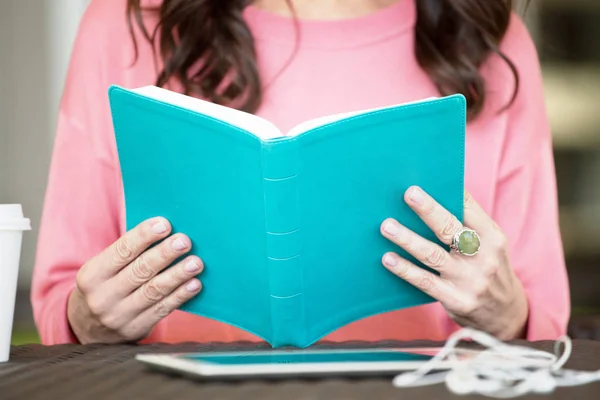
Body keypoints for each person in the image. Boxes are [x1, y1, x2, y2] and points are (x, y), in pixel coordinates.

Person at [31, 0, 570, 345]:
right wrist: (87, 318)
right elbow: (61, 302)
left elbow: (542, 319)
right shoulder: (124, 27)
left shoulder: (492, 41)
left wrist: (507, 316)